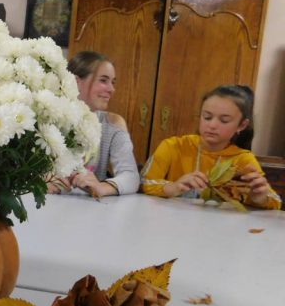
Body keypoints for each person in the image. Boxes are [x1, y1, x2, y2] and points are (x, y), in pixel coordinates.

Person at [141, 84, 281, 210]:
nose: (212, 125)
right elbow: (143, 183)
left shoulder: (243, 159)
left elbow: (275, 202)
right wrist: (172, 187)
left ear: (242, 125)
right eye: (207, 117)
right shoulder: (173, 146)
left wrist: (260, 198)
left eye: (224, 120)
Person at [48, 51, 140, 197]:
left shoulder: (113, 124)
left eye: (113, 82)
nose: (111, 89)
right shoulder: (48, 115)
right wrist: (39, 180)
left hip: (91, 208)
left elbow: (131, 176)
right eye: (103, 80)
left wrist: (103, 187)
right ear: (75, 82)